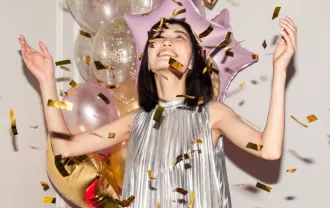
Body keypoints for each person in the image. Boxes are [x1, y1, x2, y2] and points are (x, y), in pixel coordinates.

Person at [19, 16, 297, 207]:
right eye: (158, 38)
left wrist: (279, 71)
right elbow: (63, 148)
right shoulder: (134, 122)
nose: (166, 42)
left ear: (193, 61)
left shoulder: (213, 114)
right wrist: (46, 82)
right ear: (148, 63)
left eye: (179, 38)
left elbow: (268, 149)